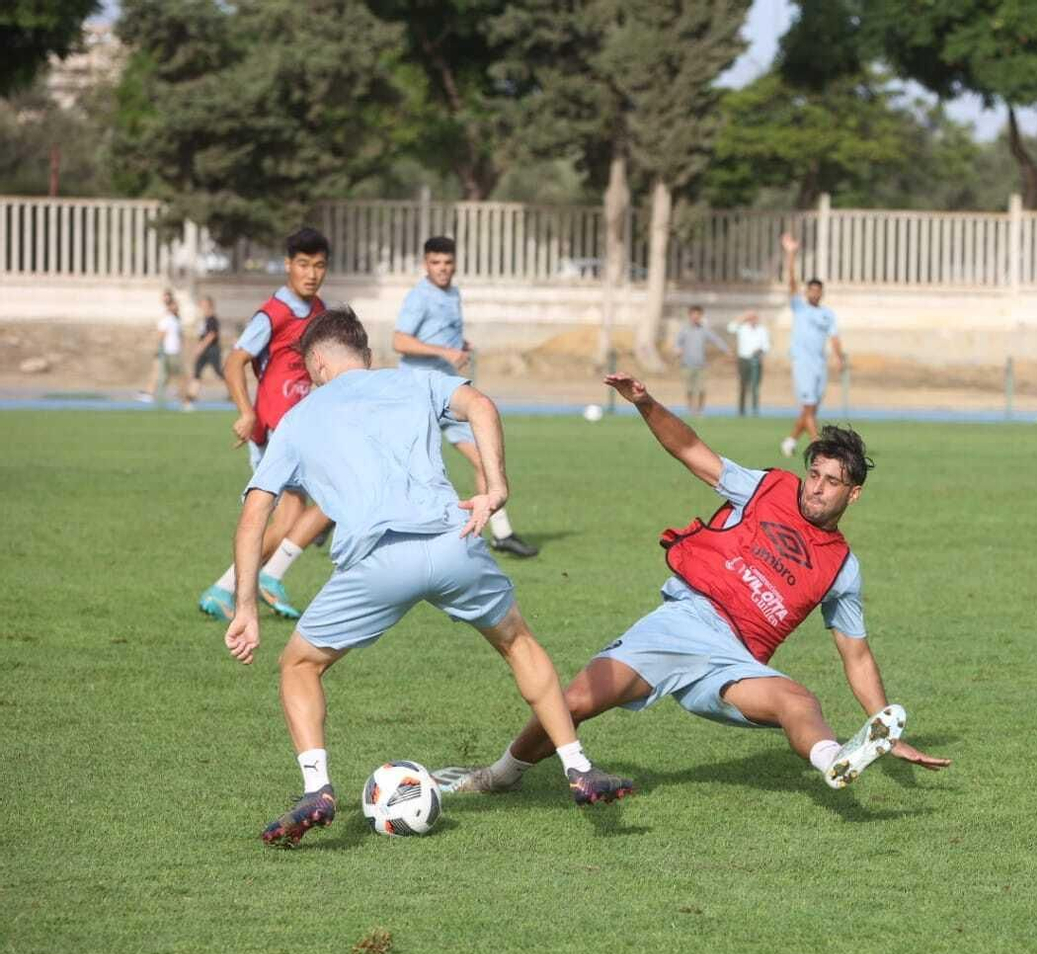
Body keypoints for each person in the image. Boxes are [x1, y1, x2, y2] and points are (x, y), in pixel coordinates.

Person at [432, 372, 950, 799]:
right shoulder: (766, 487)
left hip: (734, 661)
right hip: (682, 623)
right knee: (574, 702)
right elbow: (693, 452)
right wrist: (645, 403)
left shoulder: (842, 567)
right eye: (814, 474)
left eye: (832, 481)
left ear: (852, 495)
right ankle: (497, 777)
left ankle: (837, 760)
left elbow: (856, 655)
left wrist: (885, 725)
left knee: (799, 700)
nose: (816, 487)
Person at [225, 307, 633, 847]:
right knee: (517, 642)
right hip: (452, 544)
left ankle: (317, 790)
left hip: (376, 564)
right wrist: (496, 487)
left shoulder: (299, 418)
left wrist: (247, 607)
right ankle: (578, 768)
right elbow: (481, 404)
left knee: (299, 664)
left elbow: (256, 516)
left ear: (317, 363)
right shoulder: (413, 380)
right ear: (366, 357)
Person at [197, 227, 334, 623]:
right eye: (304, 265)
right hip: (277, 425)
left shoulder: (320, 311)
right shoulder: (273, 312)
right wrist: (246, 411)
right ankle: (266, 577)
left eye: (319, 265)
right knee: (334, 494)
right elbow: (234, 361)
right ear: (289, 265)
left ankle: (227, 588)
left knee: (291, 517)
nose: (311, 274)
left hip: (300, 425)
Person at [394, 235, 538, 558]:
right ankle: (332, 518)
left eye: (447, 263)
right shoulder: (420, 297)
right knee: (399, 467)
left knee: (486, 460)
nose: (442, 269)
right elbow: (400, 341)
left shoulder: (453, 292)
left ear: (455, 263)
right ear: (425, 264)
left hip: (451, 396)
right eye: (435, 263)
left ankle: (501, 532)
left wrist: (461, 346)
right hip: (419, 396)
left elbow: (443, 334)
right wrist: (445, 352)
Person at [778, 232, 845, 457]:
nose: (815, 294)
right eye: (812, 290)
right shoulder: (800, 307)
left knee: (812, 408)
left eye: (818, 291)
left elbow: (834, 337)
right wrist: (790, 255)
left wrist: (839, 357)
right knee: (808, 406)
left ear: (821, 293)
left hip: (819, 364)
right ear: (807, 292)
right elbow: (791, 281)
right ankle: (818, 446)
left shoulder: (828, 314)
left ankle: (790, 441)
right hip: (802, 362)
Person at [674, 304, 731, 416]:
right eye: (693, 315)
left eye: (698, 315)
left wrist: (726, 350)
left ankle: (699, 411)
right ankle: (691, 410)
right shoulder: (684, 330)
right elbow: (677, 343)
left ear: (700, 316)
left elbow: (716, 340)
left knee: (701, 390)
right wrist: (677, 350)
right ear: (689, 316)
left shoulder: (704, 330)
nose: (695, 317)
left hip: (701, 366)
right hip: (687, 365)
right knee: (689, 389)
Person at [138, 290, 182, 403]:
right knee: (159, 372)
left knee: (166, 373)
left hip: (170, 349)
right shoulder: (168, 317)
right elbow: (163, 333)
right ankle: (150, 392)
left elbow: (167, 333)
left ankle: (152, 393)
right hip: (167, 349)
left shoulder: (173, 318)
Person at [181, 296, 223, 412]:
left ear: (209, 305)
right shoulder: (204, 319)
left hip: (212, 350)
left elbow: (212, 335)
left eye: (204, 305)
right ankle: (189, 400)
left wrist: (201, 346)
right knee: (197, 374)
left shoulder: (212, 319)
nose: (202, 307)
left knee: (219, 372)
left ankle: (235, 393)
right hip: (204, 351)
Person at [728, 311, 769, 416]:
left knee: (755, 386)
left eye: (754, 318)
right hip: (744, 360)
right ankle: (741, 410)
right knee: (743, 385)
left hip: (756, 360)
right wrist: (743, 317)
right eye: (750, 318)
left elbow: (766, 346)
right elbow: (730, 328)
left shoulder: (762, 330)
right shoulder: (743, 328)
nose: (753, 320)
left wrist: (760, 350)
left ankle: (755, 409)